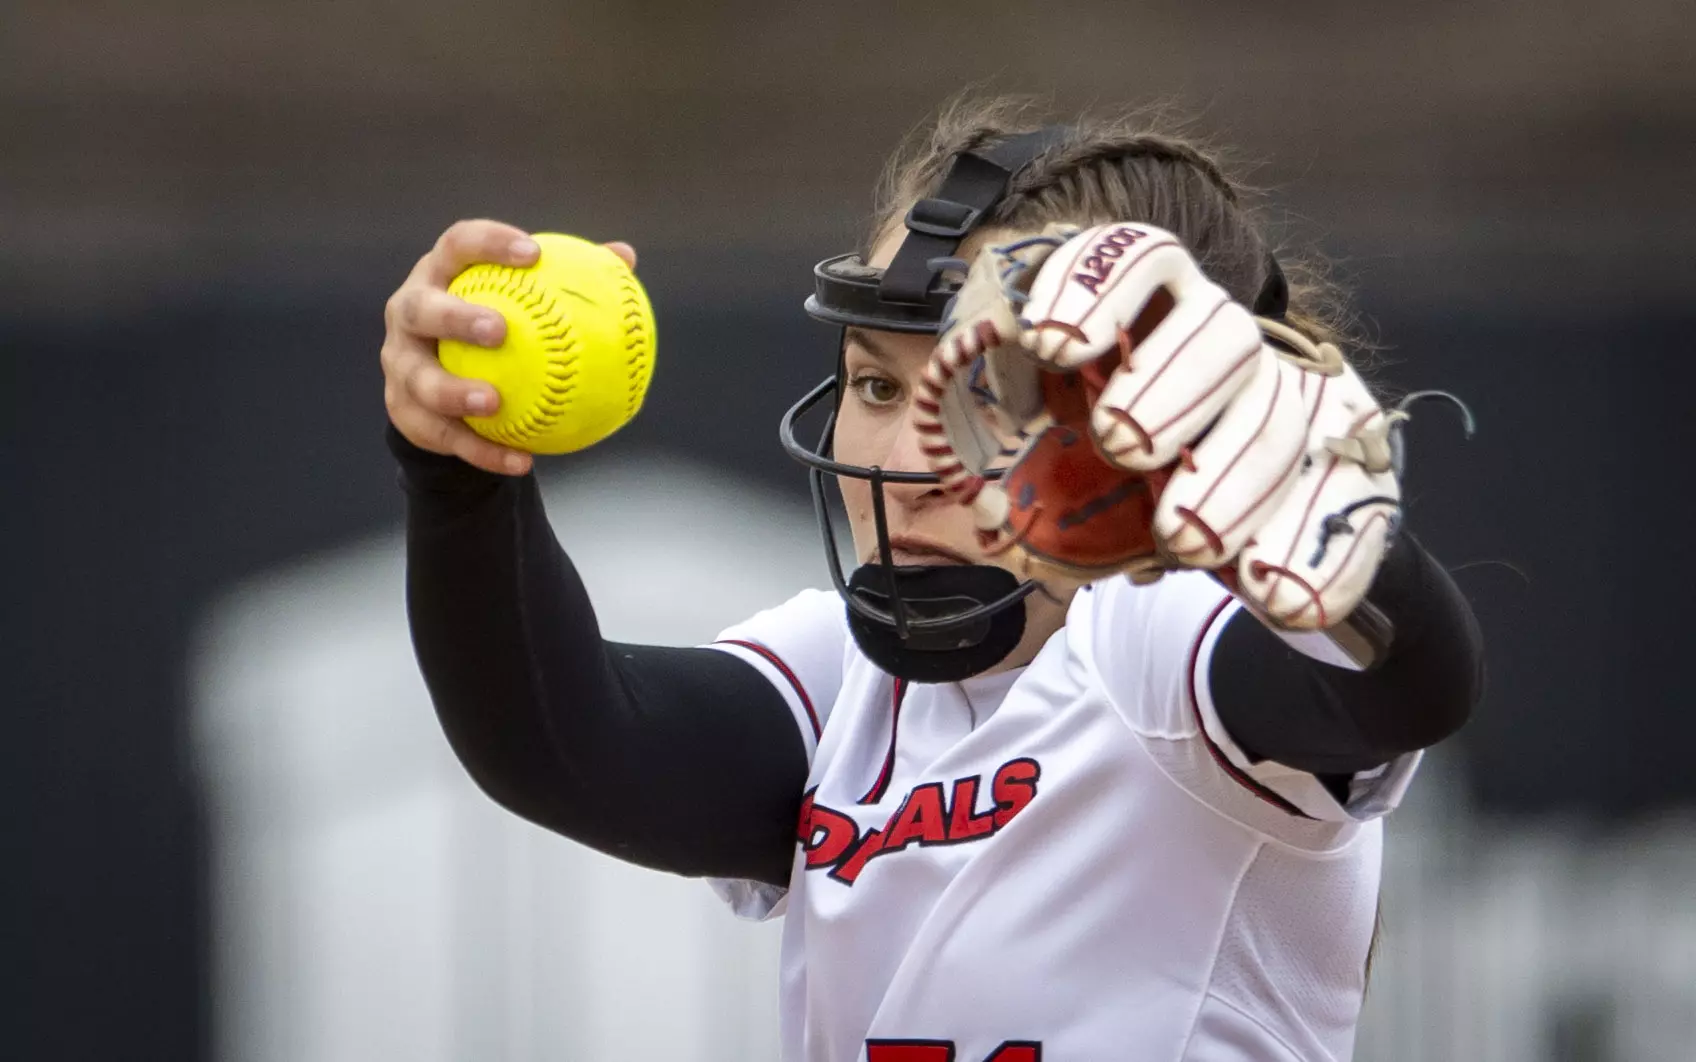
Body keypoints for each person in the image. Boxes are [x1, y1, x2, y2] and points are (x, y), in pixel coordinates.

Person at [381, 98, 1483, 1062]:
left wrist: (1305, 507)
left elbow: (1407, 685)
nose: (906, 463)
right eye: (872, 381)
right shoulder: (840, 687)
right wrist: (459, 479)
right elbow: (567, 742)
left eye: (987, 396)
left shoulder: (1159, 645)